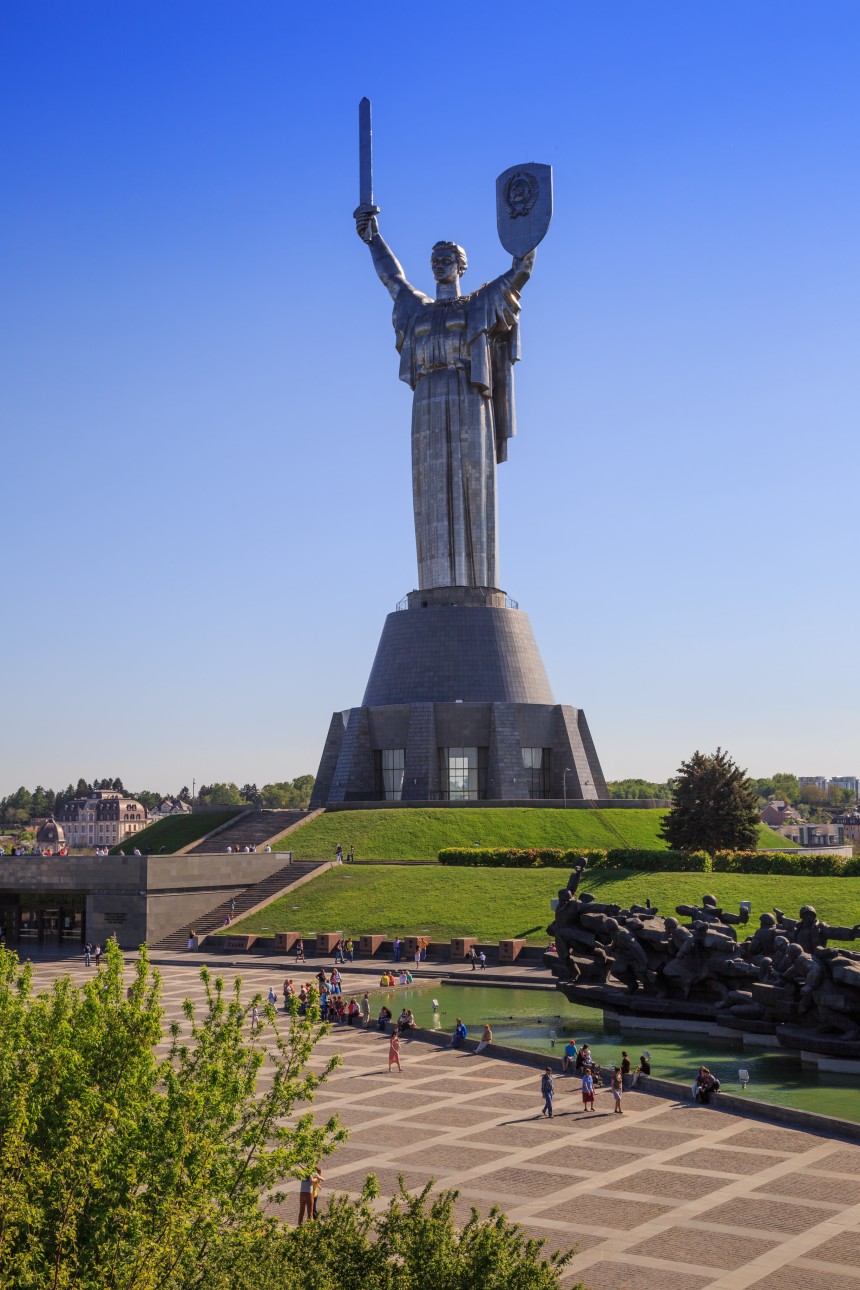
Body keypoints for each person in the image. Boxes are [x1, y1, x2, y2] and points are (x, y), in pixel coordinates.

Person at [354, 202, 535, 591]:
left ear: (460, 266)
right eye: (435, 259)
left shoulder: (481, 302)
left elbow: (520, 272)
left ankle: (477, 584)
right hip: (427, 401)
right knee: (431, 489)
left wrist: (527, 234)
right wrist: (374, 239)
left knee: (472, 484)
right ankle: (435, 587)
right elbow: (392, 279)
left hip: (469, 394)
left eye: (447, 259)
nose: (439, 264)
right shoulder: (417, 310)